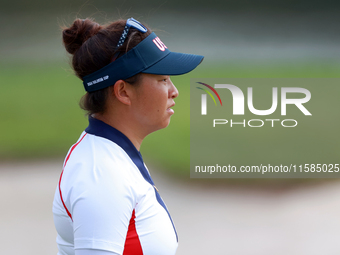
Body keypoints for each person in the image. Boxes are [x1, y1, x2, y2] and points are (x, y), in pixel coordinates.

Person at [52, 17, 204, 255]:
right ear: (123, 91)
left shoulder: (112, 156)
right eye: (162, 79)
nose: (174, 91)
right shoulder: (101, 174)